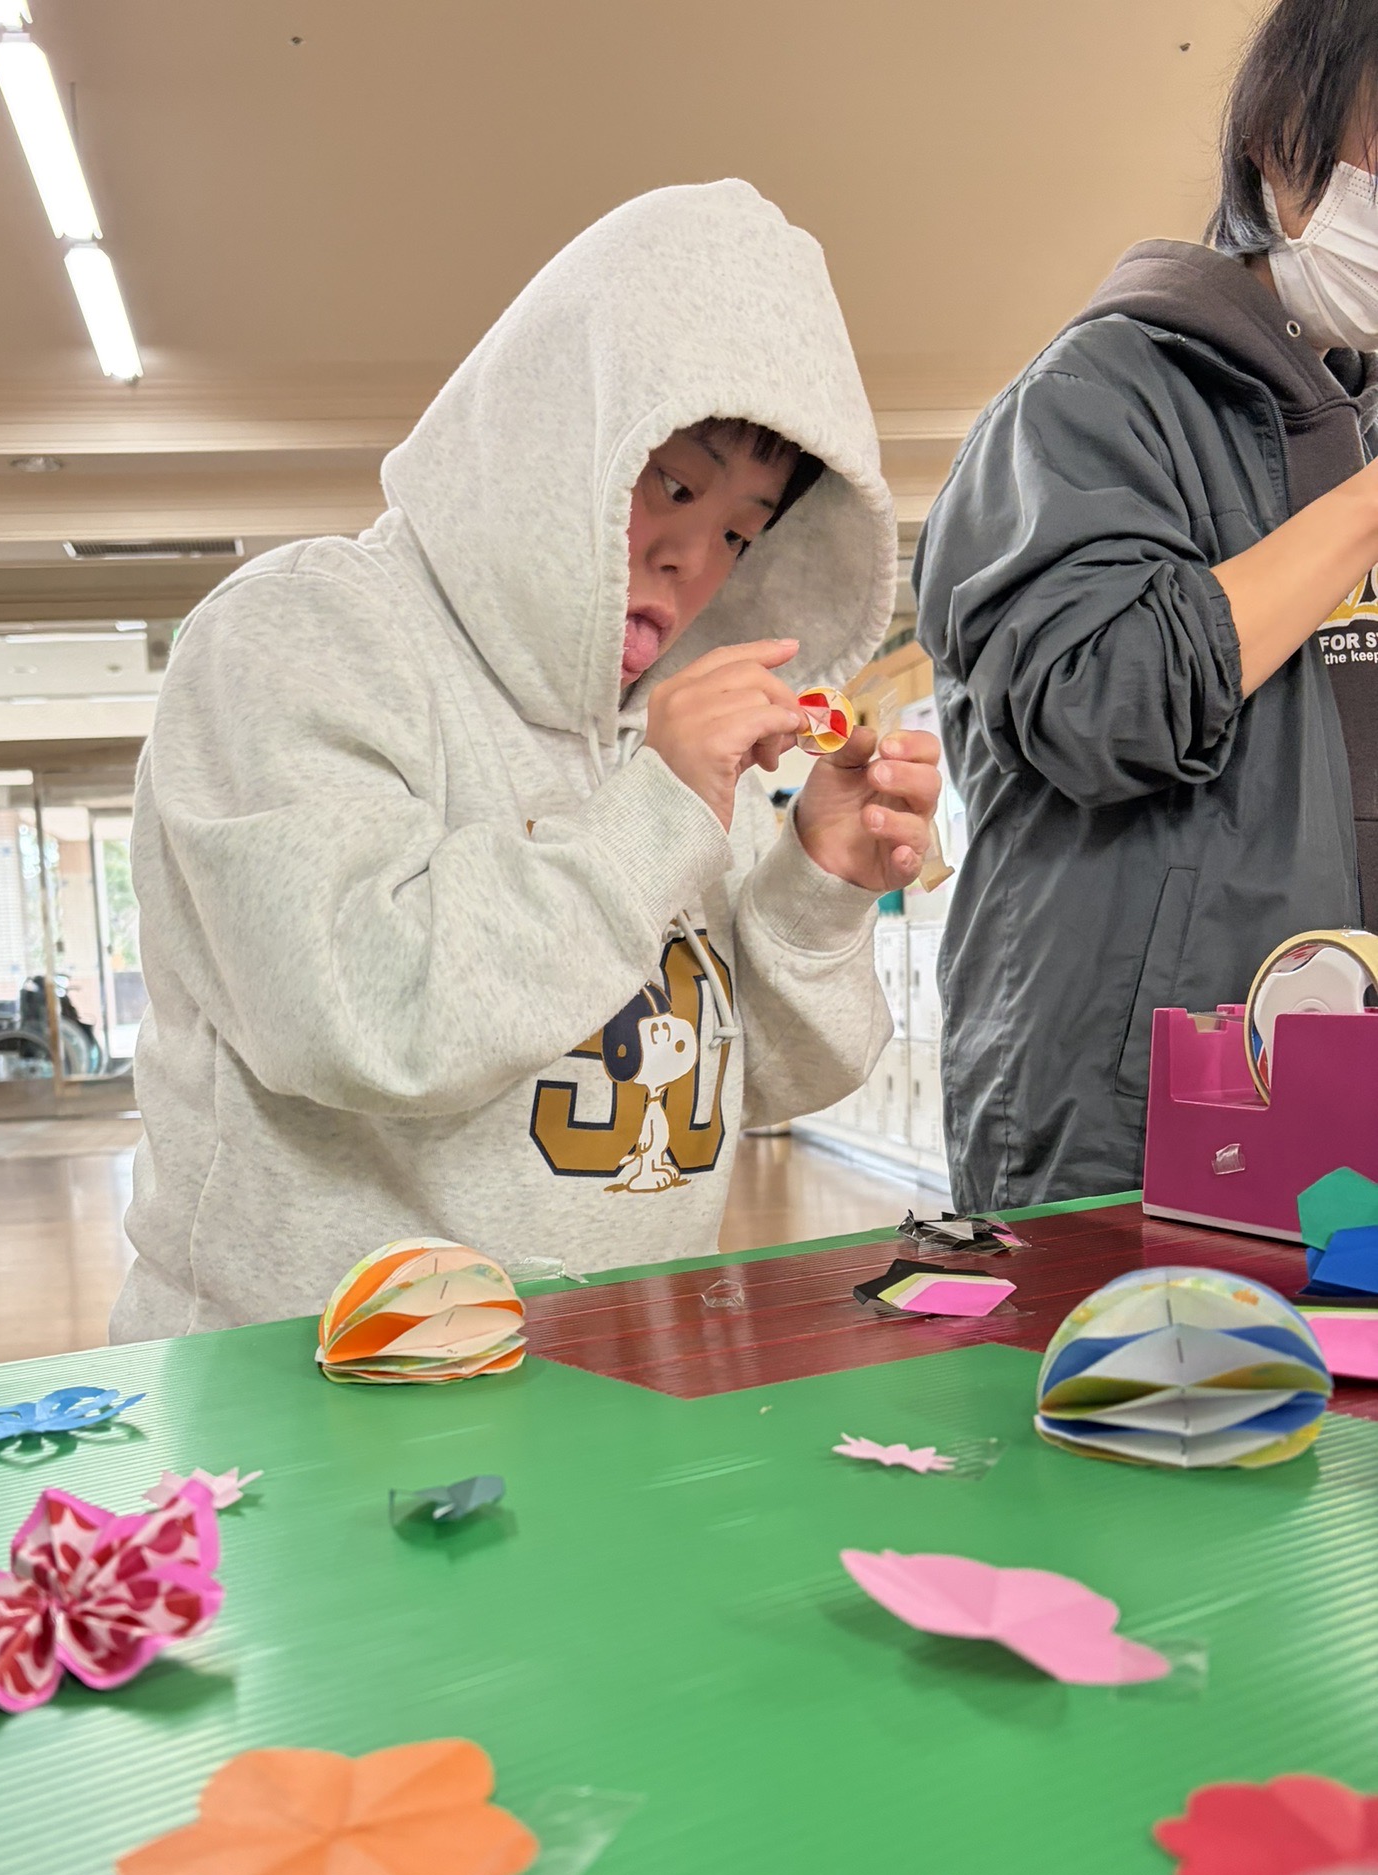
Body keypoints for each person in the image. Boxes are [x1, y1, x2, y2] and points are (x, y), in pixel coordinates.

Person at [111, 180, 939, 1338]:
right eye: (676, 484)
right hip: (309, 1396)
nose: (690, 563)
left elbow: (755, 1092)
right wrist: (657, 808)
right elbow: (368, 1020)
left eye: (741, 532)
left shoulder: (669, 732)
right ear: (561, 439)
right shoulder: (302, 633)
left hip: (617, 1377)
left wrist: (815, 882)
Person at [917, 0, 1378, 1214]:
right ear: (1287, 149)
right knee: (1121, 1404)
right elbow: (1097, 702)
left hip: (1347, 1118)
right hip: (1138, 1127)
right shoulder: (1092, 399)